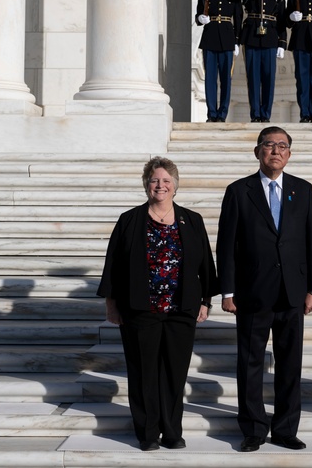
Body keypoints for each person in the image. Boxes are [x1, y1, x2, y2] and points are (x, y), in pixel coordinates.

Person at [97, 156, 218, 452]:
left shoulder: (192, 220)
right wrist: (112, 306)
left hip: (182, 310)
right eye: (154, 181)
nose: (160, 186)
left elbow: (205, 264)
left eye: (166, 181)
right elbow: (112, 266)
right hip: (140, 309)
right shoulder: (129, 220)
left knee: (175, 374)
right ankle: (148, 434)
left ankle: (173, 431)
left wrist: (205, 302)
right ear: (146, 185)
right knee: (143, 373)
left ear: (175, 185)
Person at [216, 126, 312, 452]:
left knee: (291, 365)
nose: (275, 151)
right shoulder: (238, 191)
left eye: (282, 146)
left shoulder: (302, 190)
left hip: (292, 292)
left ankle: (286, 429)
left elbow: (310, 241)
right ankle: (253, 429)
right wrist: (228, 291)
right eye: (269, 145)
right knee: (250, 364)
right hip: (252, 293)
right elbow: (226, 245)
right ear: (257, 151)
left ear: (289, 154)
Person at [238, 0, 287, 123]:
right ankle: (255, 114)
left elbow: (281, 20)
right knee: (252, 78)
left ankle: (265, 114)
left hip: (271, 38)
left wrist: (282, 43)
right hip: (251, 36)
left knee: (268, 78)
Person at [195, 0, 242, 122]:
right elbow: (198, 15)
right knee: (210, 80)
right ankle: (212, 113)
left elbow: (238, 17)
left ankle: (222, 114)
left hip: (228, 38)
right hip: (210, 38)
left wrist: (237, 41)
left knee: (225, 80)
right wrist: (201, 18)